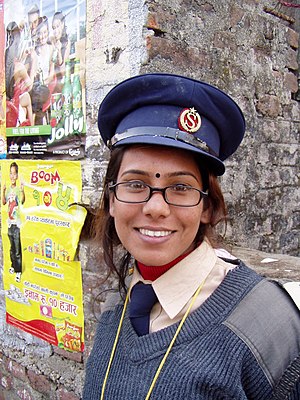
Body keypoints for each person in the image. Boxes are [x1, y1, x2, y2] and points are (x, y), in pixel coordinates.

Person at [83, 74, 300, 399]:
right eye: (136, 184)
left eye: (181, 187)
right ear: (112, 200)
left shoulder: (266, 325)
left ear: (207, 207)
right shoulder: (120, 303)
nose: (155, 207)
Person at [5, 21, 34, 127]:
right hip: (14, 102)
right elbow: (29, 85)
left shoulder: (4, 62)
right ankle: (32, 127)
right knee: (28, 99)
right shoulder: (20, 67)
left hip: (5, 102)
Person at [2, 162, 25, 283]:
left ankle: (18, 270)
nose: (12, 175)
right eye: (10, 173)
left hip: (16, 222)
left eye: (14, 173)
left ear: (17, 175)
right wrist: (3, 190)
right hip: (9, 222)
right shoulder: (9, 189)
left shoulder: (17, 189)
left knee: (17, 248)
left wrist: (22, 191)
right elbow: (4, 202)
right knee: (11, 247)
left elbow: (22, 201)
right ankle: (12, 265)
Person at [51, 11, 70, 93]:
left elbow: (63, 71)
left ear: (62, 25)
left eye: (57, 26)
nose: (56, 30)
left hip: (61, 82)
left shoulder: (66, 43)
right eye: (53, 28)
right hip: (51, 81)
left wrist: (58, 50)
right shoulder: (51, 42)